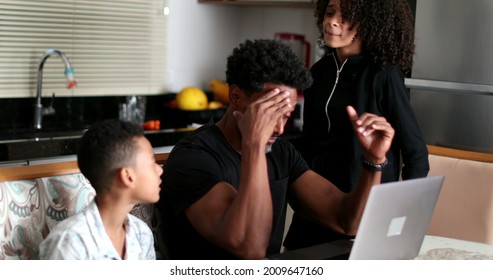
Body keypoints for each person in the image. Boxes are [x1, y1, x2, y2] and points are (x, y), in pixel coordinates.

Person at [156, 39, 395, 260]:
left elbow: (346, 221)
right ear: (236, 96)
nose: (280, 128)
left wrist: (373, 161)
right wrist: (254, 144)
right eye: (271, 114)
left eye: (287, 116)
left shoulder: (282, 152)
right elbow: (250, 248)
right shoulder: (193, 158)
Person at [283, 0, 430, 250]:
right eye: (329, 12)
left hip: (365, 206)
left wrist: (402, 216)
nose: (332, 21)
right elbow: (310, 140)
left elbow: (416, 153)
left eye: (347, 16)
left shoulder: (384, 75)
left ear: (370, 24)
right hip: (319, 203)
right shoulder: (319, 71)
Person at [39, 119, 163, 260]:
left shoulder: (142, 234)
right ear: (128, 176)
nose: (159, 170)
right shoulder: (69, 244)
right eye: (152, 162)